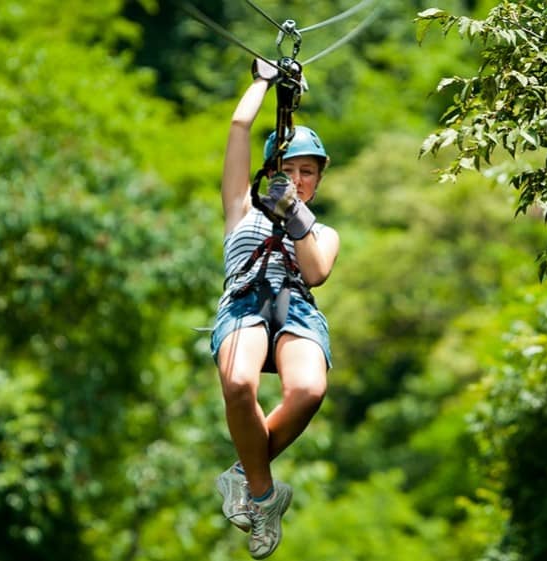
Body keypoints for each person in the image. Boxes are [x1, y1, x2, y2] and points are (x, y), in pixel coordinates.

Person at [210, 59, 340, 559]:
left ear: (318, 181)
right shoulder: (240, 207)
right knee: (240, 384)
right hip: (245, 300)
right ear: (271, 172)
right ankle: (264, 496)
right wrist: (263, 82)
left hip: (296, 309)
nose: (298, 178)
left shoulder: (323, 231)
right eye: (288, 170)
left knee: (309, 389)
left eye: (308, 172)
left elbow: (316, 272)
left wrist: (295, 214)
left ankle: (245, 473)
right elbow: (240, 126)